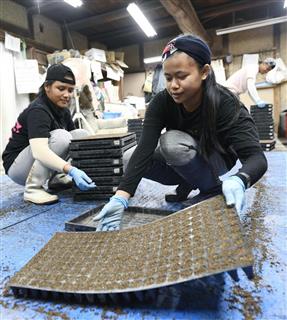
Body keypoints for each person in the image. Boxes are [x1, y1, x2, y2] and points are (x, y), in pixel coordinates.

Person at [93, 34, 267, 231]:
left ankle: (211, 188)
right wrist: (120, 197)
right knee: (128, 156)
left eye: (181, 76)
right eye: (168, 78)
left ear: (204, 72)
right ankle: (189, 182)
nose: (173, 85)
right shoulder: (161, 102)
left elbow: (256, 157)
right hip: (185, 157)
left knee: (171, 142)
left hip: (216, 159)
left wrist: (240, 179)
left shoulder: (226, 103)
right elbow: (145, 149)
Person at [2, 64, 96, 205]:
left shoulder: (62, 109)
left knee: (80, 134)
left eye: (70, 90)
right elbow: (40, 151)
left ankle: (57, 179)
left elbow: (75, 141)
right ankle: (33, 189)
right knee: (61, 137)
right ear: (47, 87)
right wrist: (71, 169)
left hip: (32, 161)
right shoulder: (38, 110)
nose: (67, 95)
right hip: (17, 168)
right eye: (61, 88)